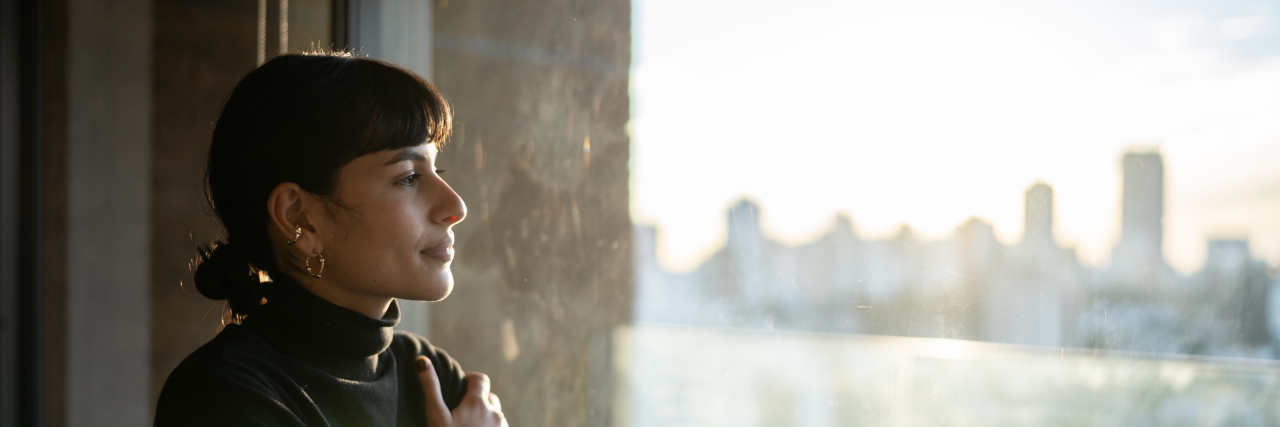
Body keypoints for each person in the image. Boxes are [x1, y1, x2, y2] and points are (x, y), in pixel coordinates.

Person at [154, 52, 507, 427]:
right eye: (408, 178)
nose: (457, 206)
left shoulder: (428, 376)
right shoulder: (221, 396)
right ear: (299, 218)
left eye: (437, 169)